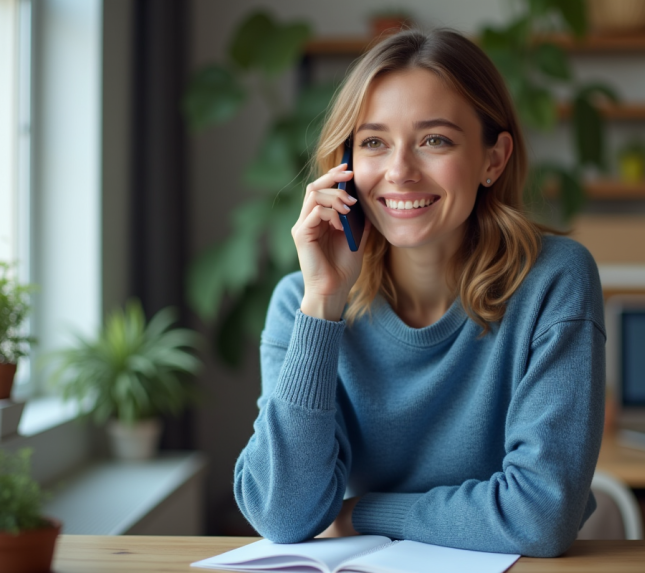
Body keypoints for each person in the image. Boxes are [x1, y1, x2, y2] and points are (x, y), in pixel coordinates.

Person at [234, 28, 605, 558]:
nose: (400, 172)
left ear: (493, 160)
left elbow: (540, 516)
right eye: (374, 142)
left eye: (435, 140)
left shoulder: (553, 280)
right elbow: (282, 515)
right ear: (346, 167)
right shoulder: (302, 302)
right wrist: (323, 302)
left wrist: (361, 512)